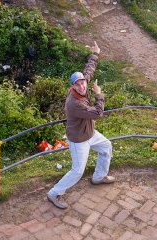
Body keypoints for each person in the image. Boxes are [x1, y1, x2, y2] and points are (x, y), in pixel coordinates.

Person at [47, 41, 115, 209]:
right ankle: (54, 193)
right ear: (73, 86)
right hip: (79, 139)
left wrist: (95, 53)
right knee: (77, 171)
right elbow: (98, 113)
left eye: (83, 82)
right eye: (78, 84)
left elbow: (88, 70)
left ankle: (99, 177)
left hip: (90, 133)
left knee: (106, 147)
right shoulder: (74, 104)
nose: (82, 85)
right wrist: (99, 95)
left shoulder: (83, 85)